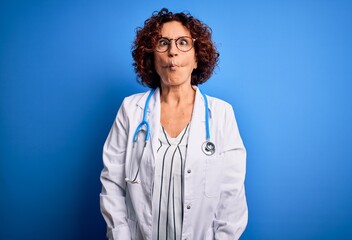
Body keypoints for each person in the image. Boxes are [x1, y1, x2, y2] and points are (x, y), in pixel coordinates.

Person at [100, 8, 247, 240]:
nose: (172, 52)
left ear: (197, 57)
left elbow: (232, 197)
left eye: (182, 43)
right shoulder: (131, 110)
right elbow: (112, 184)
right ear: (151, 57)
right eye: (163, 43)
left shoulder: (221, 114)